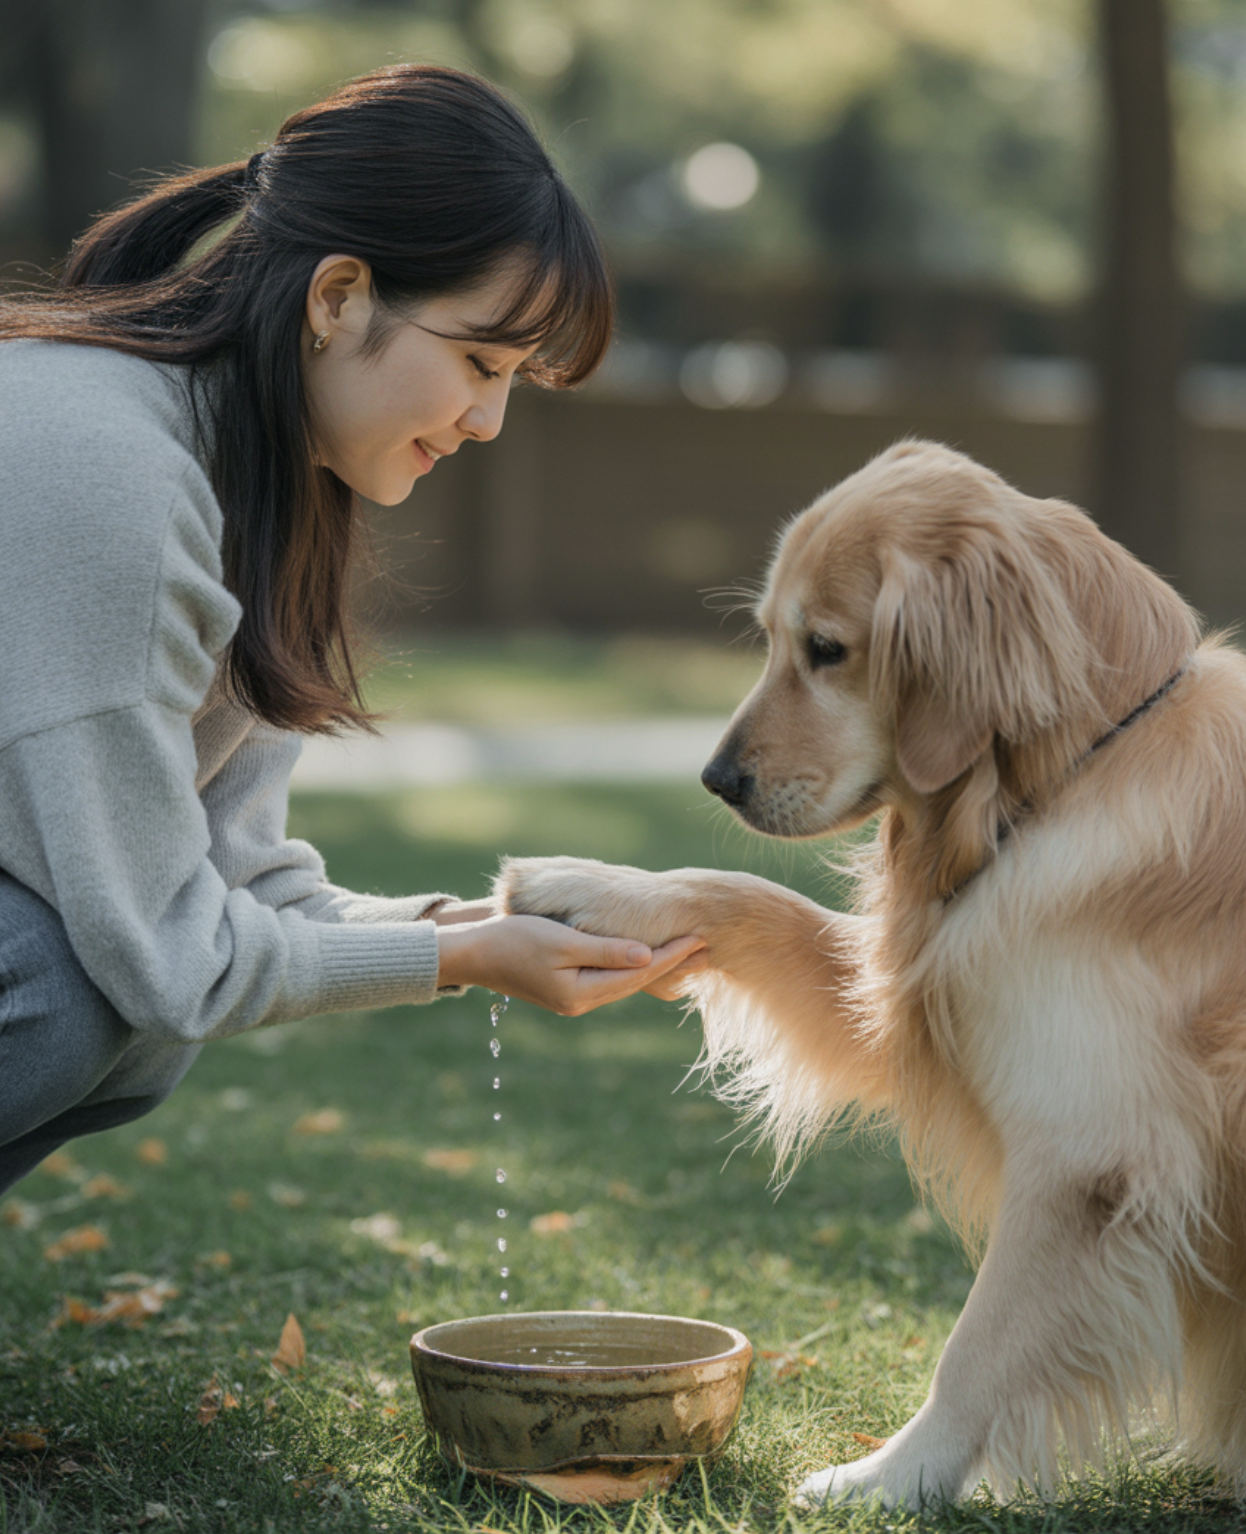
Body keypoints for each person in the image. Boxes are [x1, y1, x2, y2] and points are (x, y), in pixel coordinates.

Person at [0, 63, 704, 1195]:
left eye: (516, 378)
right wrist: (458, 956)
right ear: (337, 298)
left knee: (122, 1019)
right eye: (480, 361)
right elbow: (169, 959)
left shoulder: (247, 487)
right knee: (72, 990)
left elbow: (239, 889)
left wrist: (471, 929)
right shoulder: (115, 480)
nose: (489, 420)